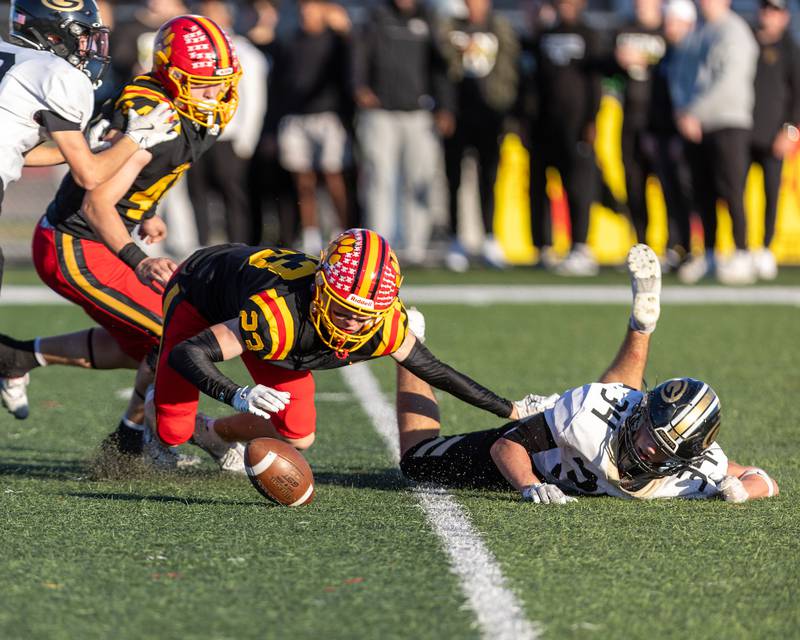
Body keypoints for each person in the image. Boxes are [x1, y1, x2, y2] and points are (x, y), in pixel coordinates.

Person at [0, 15, 241, 470]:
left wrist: (146, 212)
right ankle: (145, 438)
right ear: (172, 75)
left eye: (222, 83)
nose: (215, 96)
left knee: (145, 346)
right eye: (202, 84)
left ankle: (17, 356)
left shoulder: (184, 111)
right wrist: (137, 258)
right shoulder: (157, 119)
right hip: (76, 243)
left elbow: (136, 176)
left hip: (96, 237)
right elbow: (96, 202)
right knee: (171, 334)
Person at [397, 244, 778, 503]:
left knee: (615, 394)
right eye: (646, 425)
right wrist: (530, 485)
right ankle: (408, 342)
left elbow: (763, 479)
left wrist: (740, 491)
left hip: (596, 421)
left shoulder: (698, 466)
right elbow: (507, 445)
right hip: (543, 452)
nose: (645, 443)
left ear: (685, 457)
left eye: (659, 445)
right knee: (416, 462)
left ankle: (642, 326)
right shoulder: (587, 417)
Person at [149, 229, 534, 470]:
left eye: (363, 316)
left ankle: (213, 433)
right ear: (319, 289)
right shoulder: (279, 317)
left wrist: (510, 408)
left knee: (299, 434)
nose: (352, 324)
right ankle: (150, 396)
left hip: (263, 323)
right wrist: (236, 393)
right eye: (342, 309)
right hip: (199, 291)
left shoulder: (379, 325)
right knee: (170, 430)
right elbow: (190, 352)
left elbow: (436, 371)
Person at [0, 0, 179, 293]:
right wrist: (135, 139)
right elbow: (90, 176)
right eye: (84, 37)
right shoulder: (56, 73)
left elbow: (13, 147)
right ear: (54, 35)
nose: (90, 48)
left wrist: (80, 148)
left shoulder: (12, 58)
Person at [351, 0, 453, 265]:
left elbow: (440, 66)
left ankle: (415, 247)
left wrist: (446, 107)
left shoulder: (427, 18)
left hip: (419, 113)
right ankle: (377, 249)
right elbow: (358, 55)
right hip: (380, 112)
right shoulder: (376, 16)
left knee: (418, 180)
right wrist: (359, 87)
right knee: (379, 178)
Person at [674, 0, 758, 285]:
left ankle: (742, 253)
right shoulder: (698, 32)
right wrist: (684, 112)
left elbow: (730, 80)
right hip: (698, 125)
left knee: (731, 188)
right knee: (703, 193)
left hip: (728, 120)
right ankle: (709, 253)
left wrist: (693, 112)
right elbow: (681, 76)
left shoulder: (734, 30)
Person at [439, 0, 519, 271]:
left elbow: (510, 70)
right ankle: (455, 239)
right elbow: (441, 62)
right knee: (454, 179)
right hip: (458, 115)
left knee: (489, 179)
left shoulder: (499, 27)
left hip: (489, 114)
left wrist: (504, 108)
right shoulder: (451, 27)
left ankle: (489, 237)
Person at [527, 0, 603, 276]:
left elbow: (596, 82)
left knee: (578, 187)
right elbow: (535, 83)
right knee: (539, 186)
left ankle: (580, 246)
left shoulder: (589, 35)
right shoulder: (544, 36)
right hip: (545, 126)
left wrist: (591, 119)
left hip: (576, 125)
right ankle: (543, 246)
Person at [749, 0, 800, 281]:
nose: (770, 15)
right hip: (744, 133)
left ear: (785, 16)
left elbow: (798, 96)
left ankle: (766, 248)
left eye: (776, 10)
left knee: (771, 194)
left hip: (774, 136)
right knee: (734, 193)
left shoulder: (791, 50)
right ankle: (740, 249)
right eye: (767, 9)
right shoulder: (747, 43)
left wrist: (790, 131)